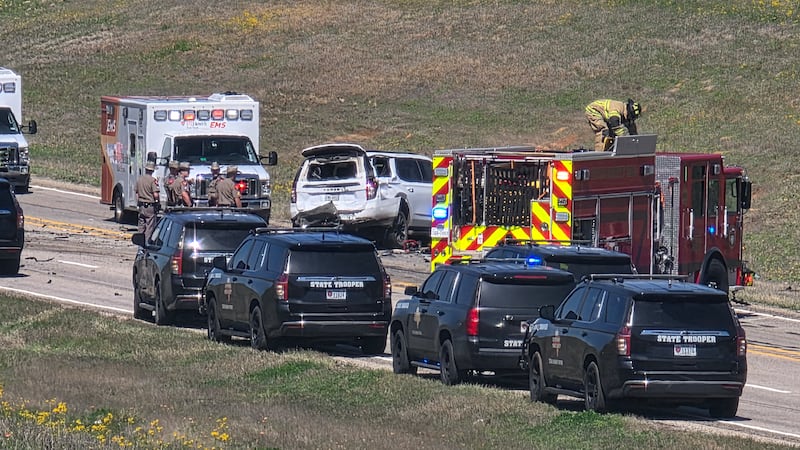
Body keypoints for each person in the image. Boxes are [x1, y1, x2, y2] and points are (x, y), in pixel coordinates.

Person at [135, 161, 160, 241]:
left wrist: (138, 202)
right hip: (150, 206)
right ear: (152, 171)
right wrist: (157, 202)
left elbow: (136, 193)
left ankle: (140, 245)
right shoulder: (152, 181)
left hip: (141, 205)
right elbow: (155, 194)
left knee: (141, 226)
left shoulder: (140, 179)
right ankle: (146, 244)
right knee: (149, 226)